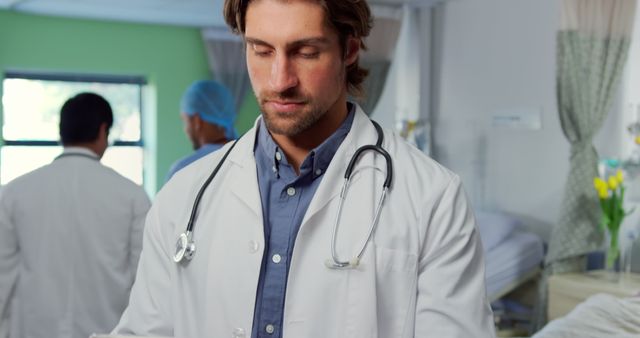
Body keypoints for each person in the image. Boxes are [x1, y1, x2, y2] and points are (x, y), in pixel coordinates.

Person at [113, 0, 495, 337]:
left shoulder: (433, 198)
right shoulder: (185, 194)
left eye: (306, 51)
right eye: (261, 51)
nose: (280, 81)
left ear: (349, 49)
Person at [0, 93, 151, 338]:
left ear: (62, 131)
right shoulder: (132, 196)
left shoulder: (15, 192)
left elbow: (3, 276)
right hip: (109, 328)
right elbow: (144, 280)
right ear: (104, 130)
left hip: (32, 330)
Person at [165, 80, 238, 181]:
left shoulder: (181, 172)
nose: (185, 130)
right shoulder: (247, 161)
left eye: (185, 121)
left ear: (197, 121)